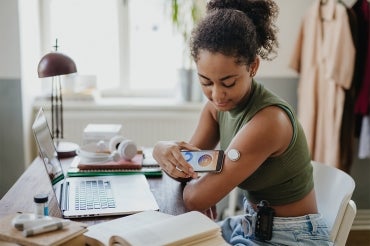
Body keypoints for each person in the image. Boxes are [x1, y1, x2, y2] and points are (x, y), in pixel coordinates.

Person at [153, 0, 332, 245]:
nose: (217, 95)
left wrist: (190, 177)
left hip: (290, 236)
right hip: (251, 223)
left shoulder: (268, 123)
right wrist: (161, 148)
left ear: (253, 66)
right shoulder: (216, 109)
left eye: (228, 83)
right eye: (206, 82)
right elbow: (187, 167)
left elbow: (196, 197)